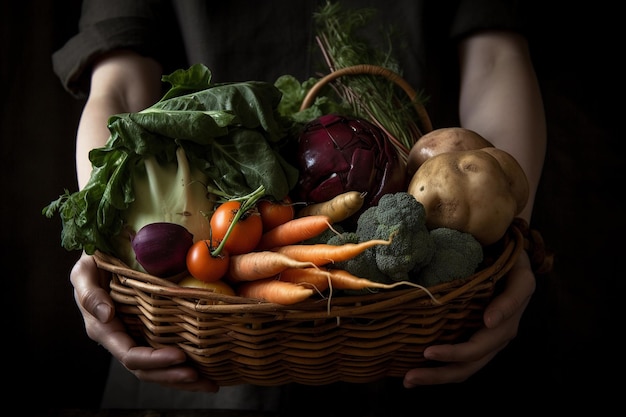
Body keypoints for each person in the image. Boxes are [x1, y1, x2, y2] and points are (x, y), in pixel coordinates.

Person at [53, 0, 546, 413]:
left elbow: (496, 58)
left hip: (426, 331)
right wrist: (105, 242)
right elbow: (116, 83)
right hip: (190, 343)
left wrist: (512, 233)